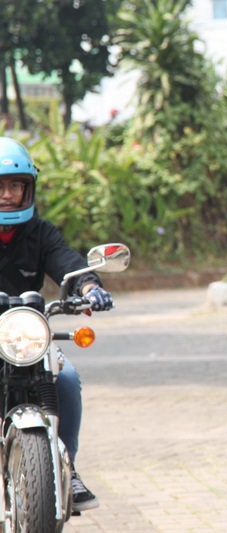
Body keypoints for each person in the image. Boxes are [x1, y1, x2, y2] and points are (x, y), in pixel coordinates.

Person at [0, 136, 115, 513]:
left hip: (23, 334)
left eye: (15, 185)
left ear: (28, 188)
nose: (7, 195)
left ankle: (67, 468)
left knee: (64, 378)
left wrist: (90, 287)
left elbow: (67, 263)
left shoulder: (40, 232)